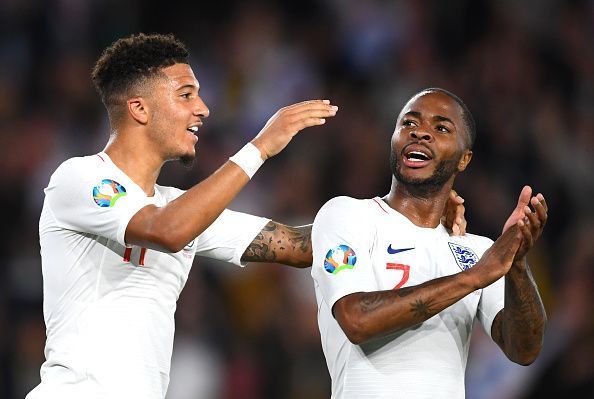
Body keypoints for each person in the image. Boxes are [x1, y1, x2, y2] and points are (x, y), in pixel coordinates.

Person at [27, 33, 466, 398]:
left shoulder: (181, 206)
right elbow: (166, 230)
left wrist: (413, 208)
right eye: (186, 95)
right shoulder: (78, 178)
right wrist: (260, 148)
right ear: (139, 108)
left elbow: (303, 247)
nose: (203, 108)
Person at [311, 88, 548, 398]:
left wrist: (515, 263)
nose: (420, 132)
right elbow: (356, 320)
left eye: (441, 128)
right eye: (409, 123)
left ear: (464, 159)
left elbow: (524, 350)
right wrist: (473, 278)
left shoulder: (477, 252)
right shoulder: (348, 215)